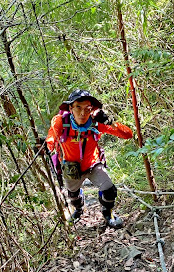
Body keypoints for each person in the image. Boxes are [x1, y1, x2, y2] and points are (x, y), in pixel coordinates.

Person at [46, 89, 133, 228]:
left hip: (93, 165)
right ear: (70, 108)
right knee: (73, 196)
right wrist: (45, 147)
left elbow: (127, 134)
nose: (82, 113)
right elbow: (50, 140)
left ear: (92, 109)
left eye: (87, 109)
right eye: (78, 107)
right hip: (71, 169)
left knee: (110, 190)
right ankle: (79, 208)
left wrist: (111, 122)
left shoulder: (96, 123)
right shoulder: (61, 122)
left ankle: (108, 213)